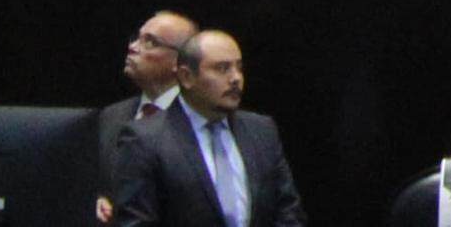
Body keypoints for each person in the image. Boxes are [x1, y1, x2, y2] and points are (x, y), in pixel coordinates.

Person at [108, 29, 307, 227]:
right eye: (222, 68)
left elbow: (289, 212)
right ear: (186, 77)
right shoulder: (145, 139)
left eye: (239, 68)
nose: (235, 78)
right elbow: (135, 222)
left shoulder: (261, 131)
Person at [93, 11, 196, 227]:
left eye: (150, 42)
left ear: (179, 62)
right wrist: (94, 200)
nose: (133, 47)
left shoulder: (198, 119)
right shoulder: (112, 116)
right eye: (137, 38)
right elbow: (96, 182)